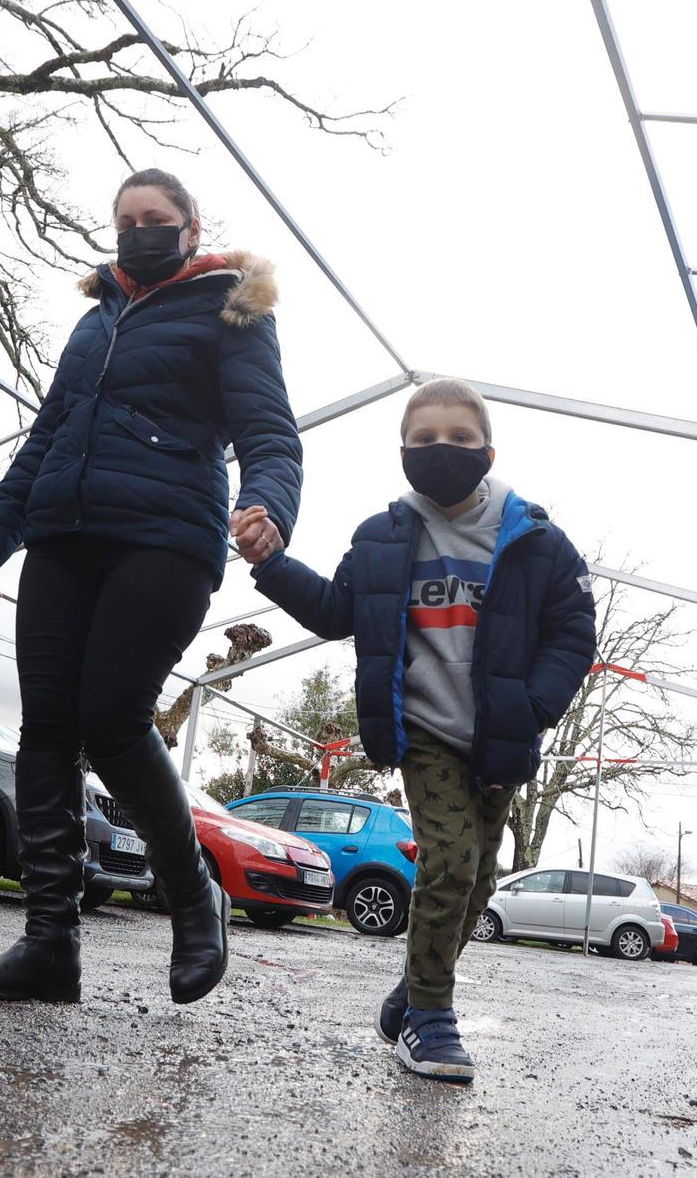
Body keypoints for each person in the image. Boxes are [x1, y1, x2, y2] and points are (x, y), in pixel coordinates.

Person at [0, 169, 302, 1005]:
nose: (140, 230)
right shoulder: (95, 319)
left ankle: (194, 897)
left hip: (165, 538)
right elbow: (50, 432)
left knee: (111, 720)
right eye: (126, 220)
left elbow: (269, 430)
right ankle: (49, 943)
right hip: (65, 537)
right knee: (47, 732)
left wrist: (268, 504)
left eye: (157, 218)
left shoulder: (232, 309)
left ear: (190, 225)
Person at [234, 377, 596, 1083]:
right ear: (402, 449)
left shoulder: (537, 540)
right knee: (450, 866)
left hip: (499, 734)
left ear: (488, 448)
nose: (442, 450)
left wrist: (535, 705)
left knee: (479, 881)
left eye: (459, 438)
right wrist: (270, 564)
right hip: (424, 730)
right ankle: (431, 1017)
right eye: (424, 439)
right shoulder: (382, 536)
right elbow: (337, 608)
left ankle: (409, 994)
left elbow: (573, 629)